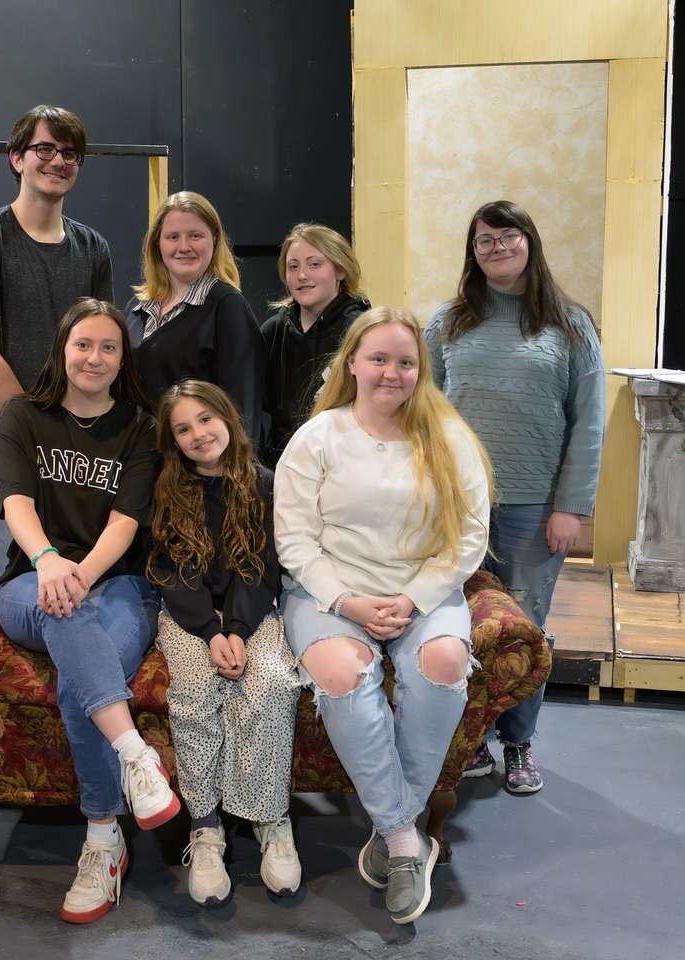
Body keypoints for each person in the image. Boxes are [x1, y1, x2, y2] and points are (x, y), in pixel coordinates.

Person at [274, 305, 492, 925]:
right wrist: (347, 601)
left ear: (421, 370)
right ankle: (405, 839)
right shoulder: (318, 437)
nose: (391, 372)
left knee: (446, 657)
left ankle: (391, 830)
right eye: (378, 359)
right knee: (343, 674)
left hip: (422, 593)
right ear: (352, 364)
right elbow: (293, 539)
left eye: (405, 361)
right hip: (331, 595)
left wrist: (416, 599)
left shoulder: (449, 439)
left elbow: (470, 535)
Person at [0, 298, 179, 925]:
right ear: (62, 349)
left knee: (81, 681)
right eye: (83, 344)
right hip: (30, 586)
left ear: (122, 359)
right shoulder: (24, 414)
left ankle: (103, 840)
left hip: (119, 584)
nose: (94, 357)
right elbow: (17, 501)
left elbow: (127, 524)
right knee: (62, 614)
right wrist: (47, 560)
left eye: (108, 347)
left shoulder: (139, 426)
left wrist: (79, 575)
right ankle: (136, 758)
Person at [425, 200, 605, 795]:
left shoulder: (569, 325)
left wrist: (570, 507)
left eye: (508, 236)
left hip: (535, 509)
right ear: (471, 252)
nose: (497, 247)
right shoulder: (448, 322)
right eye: (484, 240)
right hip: (460, 508)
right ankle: (472, 740)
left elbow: (588, 423)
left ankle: (519, 744)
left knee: (526, 630)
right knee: (463, 624)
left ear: (530, 242)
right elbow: (423, 414)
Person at [148, 380, 301, 906]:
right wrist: (211, 633)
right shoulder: (167, 489)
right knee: (193, 688)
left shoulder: (263, 483)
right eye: (183, 429)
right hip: (189, 616)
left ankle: (269, 816)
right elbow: (169, 572)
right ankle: (206, 826)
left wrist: (236, 629)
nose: (198, 434)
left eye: (205, 420)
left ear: (228, 419)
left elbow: (261, 568)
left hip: (251, 611)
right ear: (173, 441)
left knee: (272, 683)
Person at [0, 104, 113, 575]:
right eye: (45, 148)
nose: (58, 160)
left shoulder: (94, 248)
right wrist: (39, 437)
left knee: (74, 584)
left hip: (77, 448)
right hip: (0, 445)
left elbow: (102, 351)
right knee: (11, 588)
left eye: (71, 153)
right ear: (16, 158)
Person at [124, 191, 264, 442]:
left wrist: (237, 471)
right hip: (141, 458)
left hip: (196, 464)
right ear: (158, 243)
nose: (184, 247)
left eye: (195, 236)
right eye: (173, 237)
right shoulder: (137, 307)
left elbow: (243, 406)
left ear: (215, 239)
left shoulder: (228, 306)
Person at [260, 222, 371, 467]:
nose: (302, 275)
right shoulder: (273, 330)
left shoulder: (361, 330)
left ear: (340, 270)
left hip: (343, 463)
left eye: (314, 264)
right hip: (282, 463)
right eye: (293, 266)